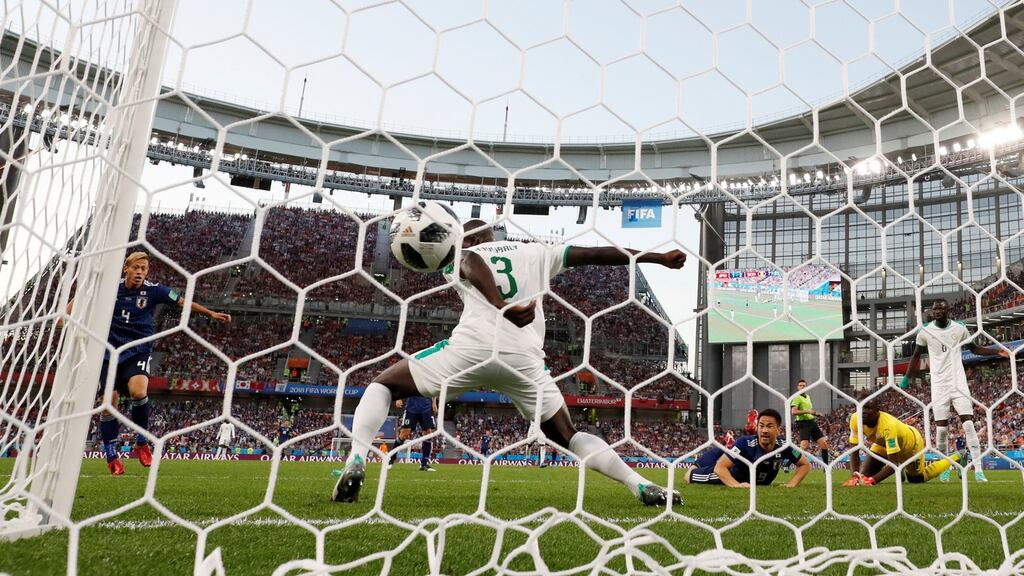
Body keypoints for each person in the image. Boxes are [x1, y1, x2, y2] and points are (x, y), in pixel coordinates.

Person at [333, 219, 686, 506]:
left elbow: (470, 263)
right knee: (569, 434)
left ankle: (358, 458)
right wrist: (656, 257)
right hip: (524, 361)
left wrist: (501, 306)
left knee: (383, 384)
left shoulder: (461, 255)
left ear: (469, 239)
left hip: (470, 351)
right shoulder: (536, 251)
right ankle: (639, 484)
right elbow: (595, 253)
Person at [66, 251, 231, 475]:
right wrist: (65, 314)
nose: (140, 272)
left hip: (138, 349)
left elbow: (182, 302)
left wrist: (210, 313)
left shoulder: (154, 290)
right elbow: (85, 293)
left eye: (144, 269)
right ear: (126, 268)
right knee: (108, 403)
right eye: (136, 268)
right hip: (109, 351)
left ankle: (142, 443)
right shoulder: (111, 288)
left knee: (138, 391)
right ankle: (112, 455)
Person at [902, 298, 1007, 482]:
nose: (937, 311)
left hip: (958, 383)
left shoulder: (959, 329)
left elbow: (975, 349)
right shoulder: (925, 331)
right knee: (941, 431)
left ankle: (978, 470)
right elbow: (916, 356)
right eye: (935, 308)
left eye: (941, 308)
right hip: (938, 386)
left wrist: (996, 351)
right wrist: (906, 378)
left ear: (947, 309)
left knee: (969, 425)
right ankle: (945, 467)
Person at [842, 402, 961, 486]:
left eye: (868, 408)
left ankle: (957, 456)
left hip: (911, 448)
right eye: (861, 407)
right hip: (882, 445)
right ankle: (901, 470)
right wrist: (854, 477)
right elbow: (854, 452)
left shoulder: (888, 425)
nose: (863, 412)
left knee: (916, 479)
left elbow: (894, 464)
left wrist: (873, 480)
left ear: (878, 410)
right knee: (863, 476)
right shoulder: (855, 419)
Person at [685, 409, 811, 488]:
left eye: (769, 426)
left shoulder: (785, 445)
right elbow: (720, 468)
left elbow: (805, 464)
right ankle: (725, 446)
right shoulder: (745, 443)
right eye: (761, 426)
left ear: (778, 430)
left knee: (728, 450)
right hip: (732, 476)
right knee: (689, 475)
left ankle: (728, 445)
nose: (764, 430)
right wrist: (736, 485)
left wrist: (792, 484)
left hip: (754, 480)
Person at [390, 395, 438, 472]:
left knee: (428, 434)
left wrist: (434, 402)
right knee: (404, 434)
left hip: (426, 407)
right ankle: (391, 460)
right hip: (411, 407)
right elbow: (403, 387)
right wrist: (398, 398)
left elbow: (433, 389)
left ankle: (424, 465)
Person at [791, 379, 830, 466]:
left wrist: (816, 413)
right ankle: (788, 463)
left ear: (806, 387)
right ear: (798, 387)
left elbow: (809, 411)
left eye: (804, 386)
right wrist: (807, 411)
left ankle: (826, 467)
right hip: (803, 423)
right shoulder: (796, 398)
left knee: (824, 444)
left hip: (812, 422)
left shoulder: (807, 397)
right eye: (800, 385)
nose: (802, 387)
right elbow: (793, 412)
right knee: (803, 446)